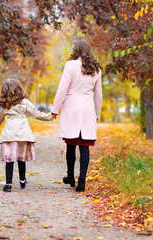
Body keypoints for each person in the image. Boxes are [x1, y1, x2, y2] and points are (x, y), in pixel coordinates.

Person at [51, 39, 102, 192]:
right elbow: (98, 95)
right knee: (84, 146)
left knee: (71, 144)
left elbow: (62, 89)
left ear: (76, 50)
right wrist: (97, 113)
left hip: (72, 108)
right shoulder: (96, 69)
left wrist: (55, 108)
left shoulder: (70, 65)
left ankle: (71, 176)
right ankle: (82, 181)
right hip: (87, 109)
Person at [0, 78, 53, 192]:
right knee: (21, 158)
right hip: (22, 133)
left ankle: (8, 184)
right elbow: (36, 114)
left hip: (10, 134)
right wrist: (50, 117)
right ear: (19, 89)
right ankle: (22, 180)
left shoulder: (5, 105)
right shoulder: (25, 102)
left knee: (9, 159)